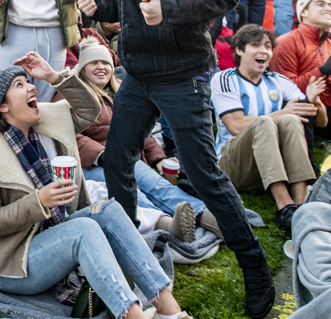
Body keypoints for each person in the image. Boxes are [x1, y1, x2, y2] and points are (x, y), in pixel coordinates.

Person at [77, 0, 275, 319]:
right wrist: (99, 6)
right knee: (118, 160)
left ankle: (255, 266)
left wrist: (171, 8)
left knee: (203, 174)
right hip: (139, 75)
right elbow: (133, 7)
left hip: (181, 76)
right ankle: (131, 258)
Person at [0, 53, 197, 319]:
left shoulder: (46, 121)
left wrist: (53, 76)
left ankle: (169, 312)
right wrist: (38, 202)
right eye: (19, 85)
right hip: (13, 262)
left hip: (53, 238)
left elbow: (90, 109)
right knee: (84, 231)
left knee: (107, 209)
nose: (30, 88)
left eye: (28, 82)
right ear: (1, 106)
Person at [62, 37, 217, 241]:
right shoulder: (71, 96)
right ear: (83, 68)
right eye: (93, 63)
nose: (101, 67)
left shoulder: (123, 91)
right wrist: (103, 155)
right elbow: (68, 134)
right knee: (132, 191)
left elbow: (141, 127)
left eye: (105, 63)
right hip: (93, 164)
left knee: (157, 184)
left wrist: (158, 158)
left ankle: (207, 216)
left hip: (125, 157)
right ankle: (167, 225)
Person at [211, 25, 327, 231]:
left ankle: (300, 206)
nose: (263, 51)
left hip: (268, 167)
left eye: (267, 46)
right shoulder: (224, 79)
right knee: (267, 121)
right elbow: (235, 126)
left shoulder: (278, 80)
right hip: (233, 166)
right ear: (239, 50)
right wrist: (282, 112)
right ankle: (285, 206)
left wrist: (315, 102)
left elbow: (321, 123)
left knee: (291, 120)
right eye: (255, 45)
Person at [270, 0, 331, 140]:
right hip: (296, 110)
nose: (328, 8)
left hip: (326, 111)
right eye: (320, 4)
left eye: (330, 5)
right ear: (303, 12)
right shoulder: (285, 42)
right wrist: (323, 71)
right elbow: (285, 90)